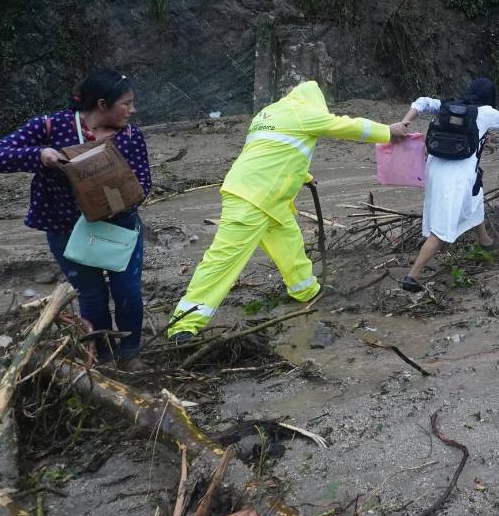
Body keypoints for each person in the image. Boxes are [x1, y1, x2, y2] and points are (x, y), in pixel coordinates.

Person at [166, 80, 408, 342]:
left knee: (289, 244)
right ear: (315, 102)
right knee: (222, 261)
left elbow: (275, 153)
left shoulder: (268, 114)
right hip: (253, 199)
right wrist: (387, 131)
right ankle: (183, 324)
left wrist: (304, 176)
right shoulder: (302, 114)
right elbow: (344, 126)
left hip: (263, 196)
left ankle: (305, 290)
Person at [0, 69, 150, 366]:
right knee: (92, 295)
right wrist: (39, 155)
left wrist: (118, 198)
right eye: (126, 104)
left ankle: (130, 354)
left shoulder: (130, 136)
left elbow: (144, 183)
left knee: (127, 291)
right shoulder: (51, 127)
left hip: (120, 226)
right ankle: (102, 357)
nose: (132, 110)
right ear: (102, 104)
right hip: (67, 228)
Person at [398, 78, 499, 292]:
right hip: (457, 176)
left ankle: (485, 241)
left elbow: (421, 102)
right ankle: (412, 276)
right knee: (443, 228)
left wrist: (405, 122)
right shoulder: (486, 112)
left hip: (434, 169)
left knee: (475, 198)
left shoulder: (448, 105)